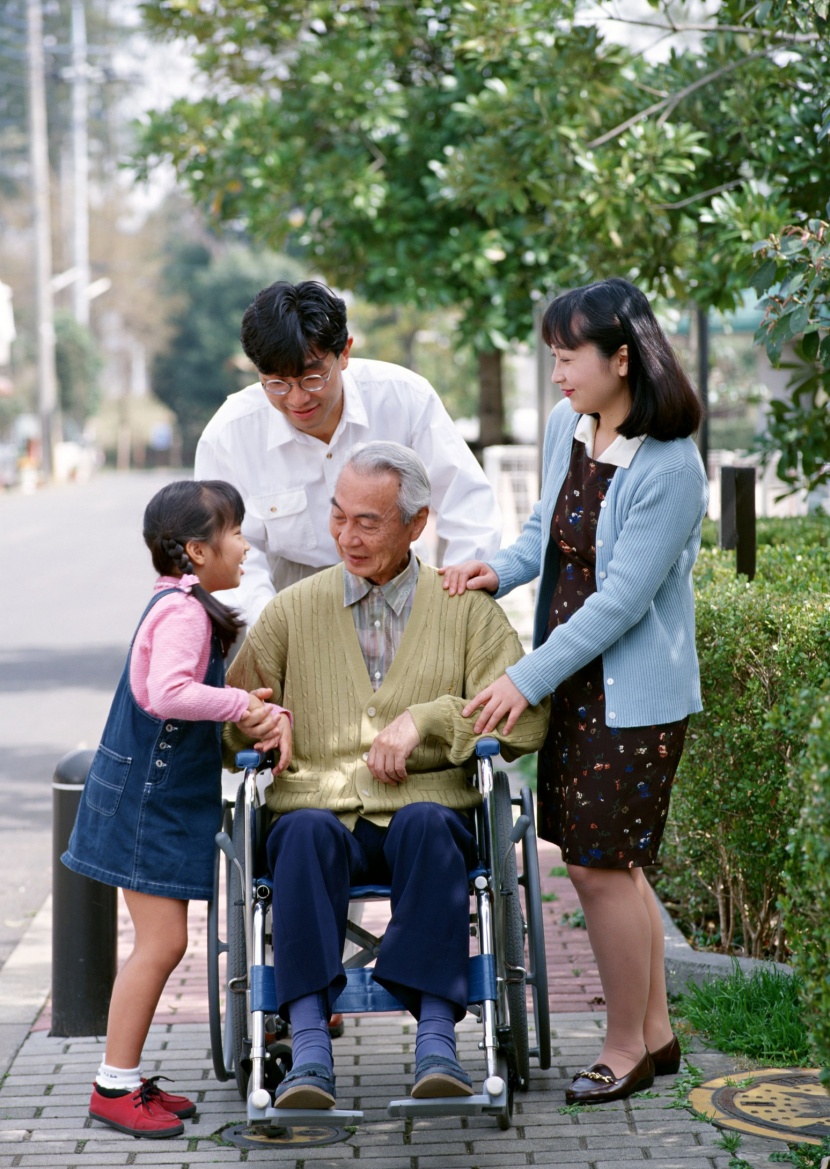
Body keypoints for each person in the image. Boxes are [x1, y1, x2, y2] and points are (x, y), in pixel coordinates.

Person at [441, 277, 708, 1105]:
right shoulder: (572, 425)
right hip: (572, 678)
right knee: (612, 867)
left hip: (632, 696)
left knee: (600, 869)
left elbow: (623, 600)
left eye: (567, 358)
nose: (555, 375)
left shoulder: (671, 467)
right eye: (551, 358)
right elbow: (542, 531)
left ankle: (624, 1042)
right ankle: (657, 1032)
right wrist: (501, 567)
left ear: (621, 359)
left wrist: (524, 676)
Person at [224, 441, 549, 1109]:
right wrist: (260, 719)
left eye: (368, 522)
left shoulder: (464, 607)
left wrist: (430, 719)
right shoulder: (293, 609)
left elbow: (525, 724)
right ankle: (309, 1045)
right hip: (319, 807)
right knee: (304, 833)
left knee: (431, 825)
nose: (348, 535)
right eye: (339, 517)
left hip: (425, 806)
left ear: (416, 522)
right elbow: (235, 717)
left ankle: (437, 1041)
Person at [61, 480, 292, 1140]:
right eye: (236, 533)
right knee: (160, 943)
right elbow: (168, 693)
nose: (245, 544)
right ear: (197, 549)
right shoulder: (186, 613)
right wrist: (243, 706)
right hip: (145, 805)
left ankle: (126, 1077)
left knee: (162, 942)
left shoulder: (180, 601)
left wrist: (240, 701)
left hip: (150, 800)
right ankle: (113, 1085)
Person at [194, 279, 501, 630]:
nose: (297, 400)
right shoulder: (229, 435)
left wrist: (455, 600)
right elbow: (229, 553)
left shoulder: (404, 398)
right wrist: (272, 631)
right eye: (277, 383)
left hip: (397, 585)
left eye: (313, 378)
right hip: (285, 595)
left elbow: (468, 505)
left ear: (344, 354)